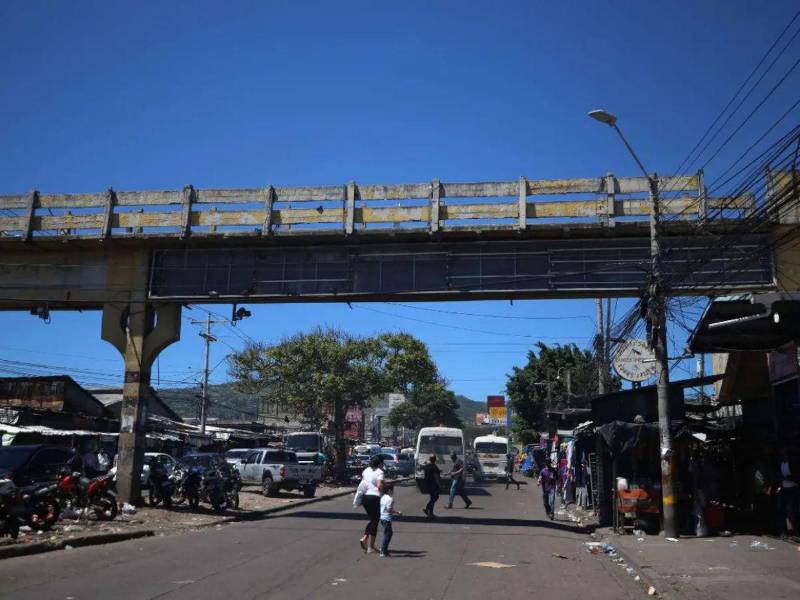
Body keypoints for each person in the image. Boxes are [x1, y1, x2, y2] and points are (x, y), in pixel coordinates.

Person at [359, 455, 385, 553]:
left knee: (373, 519)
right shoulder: (380, 472)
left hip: (365, 498)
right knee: (375, 521)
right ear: (380, 463)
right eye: (383, 463)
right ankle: (371, 546)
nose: (383, 465)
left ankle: (365, 538)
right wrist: (384, 493)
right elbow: (379, 485)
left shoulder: (366, 470)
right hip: (374, 498)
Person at [379, 481, 402, 557]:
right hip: (386, 518)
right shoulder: (389, 499)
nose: (393, 491)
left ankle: (383, 549)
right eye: (392, 490)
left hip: (382, 517)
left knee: (387, 533)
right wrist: (397, 512)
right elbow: (389, 509)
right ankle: (383, 550)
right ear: (389, 490)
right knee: (388, 534)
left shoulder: (383, 497)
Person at [778, 449, 798, 538]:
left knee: (793, 511)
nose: (785, 457)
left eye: (786, 456)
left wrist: (790, 478)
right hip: (784, 489)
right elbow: (777, 474)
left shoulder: (793, 464)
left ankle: (795, 531)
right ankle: (783, 531)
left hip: (793, 489)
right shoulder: (781, 463)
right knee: (782, 510)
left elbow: (796, 476)